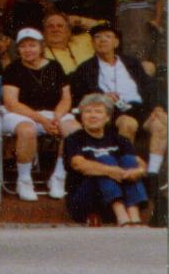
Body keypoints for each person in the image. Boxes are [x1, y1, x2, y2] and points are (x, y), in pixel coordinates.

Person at [68, 23, 165, 177]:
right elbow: (80, 97)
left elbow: (150, 87)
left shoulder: (131, 63)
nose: (102, 40)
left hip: (140, 108)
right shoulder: (85, 68)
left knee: (161, 123)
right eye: (97, 37)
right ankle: (124, 171)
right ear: (93, 44)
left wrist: (158, 107)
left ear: (116, 42)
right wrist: (102, 98)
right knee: (128, 123)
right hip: (113, 112)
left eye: (108, 36)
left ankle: (153, 173)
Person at [0, 27, 75, 201]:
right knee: (28, 130)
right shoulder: (13, 68)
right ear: (18, 49)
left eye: (32, 45)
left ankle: (58, 177)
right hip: (20, 114)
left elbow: (66, 98)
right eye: (23, 46)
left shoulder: (54, 66)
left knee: (73, 130)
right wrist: (42, 120)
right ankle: (24, 180)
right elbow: (12, 103)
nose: (28, 50)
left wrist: (56, 117)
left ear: (41, 47)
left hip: (52, 114)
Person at [60, 94, 150, 227]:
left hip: (114, 197)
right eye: (88, 111)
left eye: (98, 112)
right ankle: (122, 216)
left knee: (129, 160)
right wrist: (110, 171)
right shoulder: (74, 139)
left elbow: (139, 163)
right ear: (81, 117)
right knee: (104, 160)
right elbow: (78, 164)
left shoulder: (119, 139)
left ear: (107, 117)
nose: (93, 115)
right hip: (85, 201)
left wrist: (138, 171)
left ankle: (134, 215)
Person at [37, 10, 101, 74]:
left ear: (68, 31)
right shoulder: (39, 53)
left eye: (60, 26)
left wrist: (78, 20)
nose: (55, 30)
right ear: (43, 32)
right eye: (50, 26)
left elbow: (106, 27)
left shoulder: (83, 40)